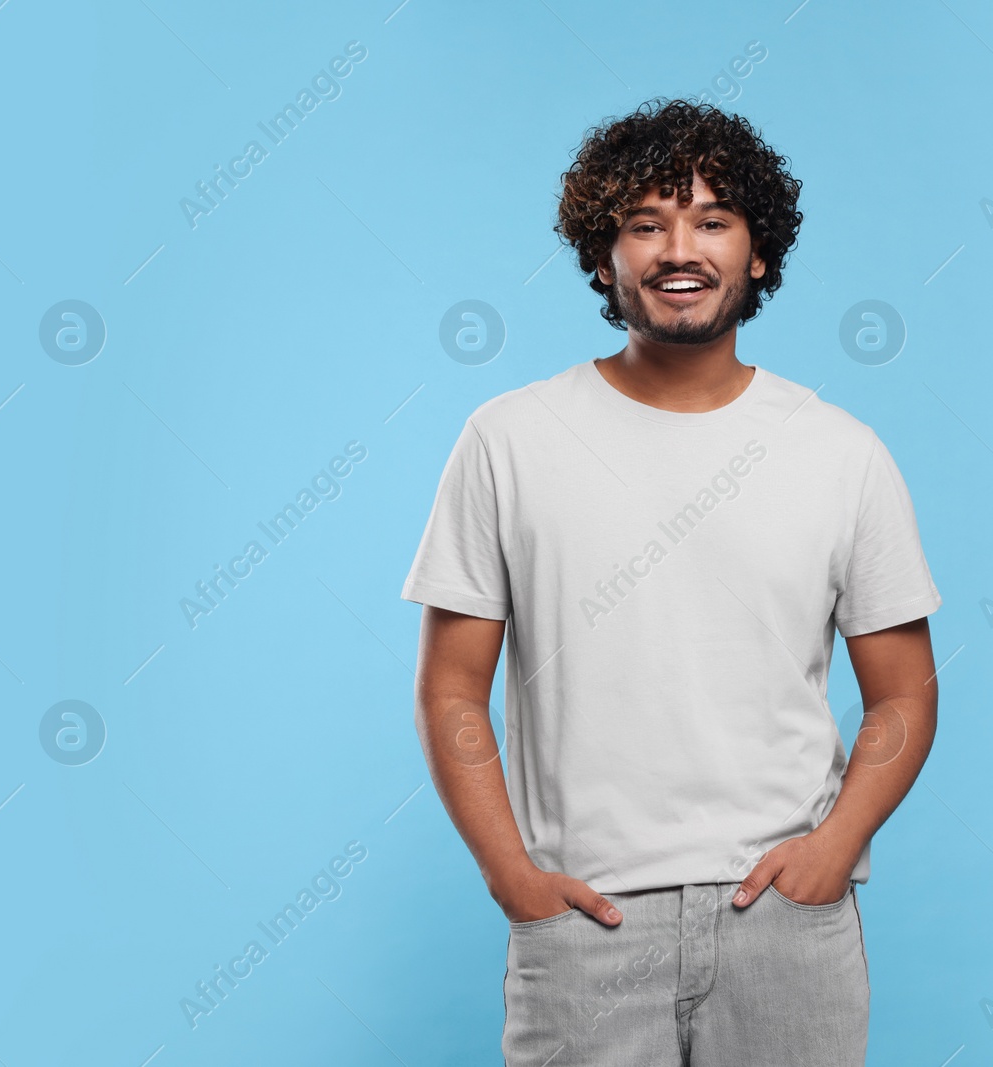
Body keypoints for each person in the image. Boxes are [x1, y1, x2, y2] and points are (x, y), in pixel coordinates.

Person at [402, 99, 941, 1066]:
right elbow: (451, 688)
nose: (677, 248)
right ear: (603, 257)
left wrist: (830, 853)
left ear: (758, 253)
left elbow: (903, 694)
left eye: (712, 220)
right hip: (586, 930)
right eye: (645, 223)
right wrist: (511, 876)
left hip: (786, 923)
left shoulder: (841, 452)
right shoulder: (509, 440)